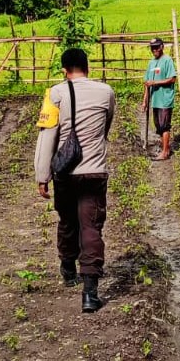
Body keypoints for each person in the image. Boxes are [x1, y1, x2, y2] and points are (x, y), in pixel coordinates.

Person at [34, 48, 117, 313]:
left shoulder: (55, 93)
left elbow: (48, 135)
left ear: (64, 70)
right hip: (94, 171)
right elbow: (107, 125)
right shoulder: (106, 92)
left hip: (66, 173)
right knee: (91, 227)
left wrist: (42, 175)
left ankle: (68, 269)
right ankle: (90, 294)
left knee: (68, 220)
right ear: (87, 66)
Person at [142, 37, 176, 160]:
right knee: (158, 125)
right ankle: (164, 148)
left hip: (165, 99)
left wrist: (155, 83)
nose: (154, 50)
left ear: (162, 47)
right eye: (152, 48)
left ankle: (165, 152)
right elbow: (147, 83)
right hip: (155, 100)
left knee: (164, 125)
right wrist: (145, 100)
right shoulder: (151, 63)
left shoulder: (167, 61)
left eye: (156, 47)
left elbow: (172, 79)